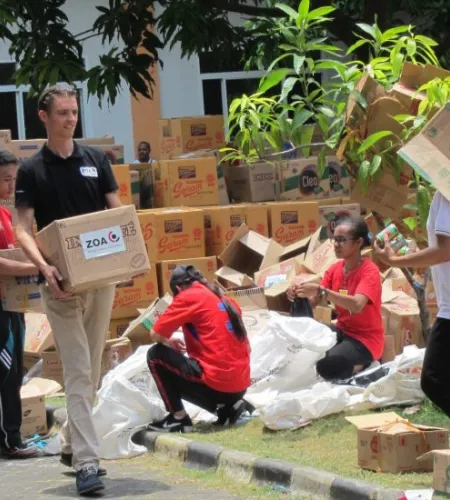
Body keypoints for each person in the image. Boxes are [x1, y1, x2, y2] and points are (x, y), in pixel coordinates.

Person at [15, 85, 121, 496]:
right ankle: (87, 464)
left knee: (91, 370)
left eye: (74, 112)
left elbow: (116, 212)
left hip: (100, 280)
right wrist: (44, 268)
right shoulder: (32, 170)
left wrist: (123, 255)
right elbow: (23, 229)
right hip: (59, 285)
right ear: (43, 116)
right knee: (78, 369)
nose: (70, 119)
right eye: (62, 113)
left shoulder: (96, 160)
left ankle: (69, 441)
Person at [146, 265, 251, 432]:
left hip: (218, 384)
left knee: (155, 355)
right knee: (204, 365)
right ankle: (229, 407)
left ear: (178, 288)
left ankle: (178, 417)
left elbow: (155, 334)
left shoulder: (188, 296)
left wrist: (168, 342)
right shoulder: (225, 299)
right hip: (241, 384)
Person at [375, 191, 450, 419]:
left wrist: (395, 260)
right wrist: (420, 255)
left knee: (434, 379)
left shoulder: (446, 192)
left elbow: (444, 250)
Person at [287, 217, 384, 381]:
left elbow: (357, 305)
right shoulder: (334, 269)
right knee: (301, 345)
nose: (336, 245)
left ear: (358, 242)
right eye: (334, 239)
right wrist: (298, 295)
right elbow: (314, 301)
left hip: (365, 340)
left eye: (341, 240)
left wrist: (322, 291)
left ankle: (364, 365)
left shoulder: (370, 271)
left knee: (326, 366)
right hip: (341, 331)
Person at [0, 150, 40, 459]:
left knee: (13, 371)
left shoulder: (5, 213)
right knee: (5, 372)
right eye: (6, 179)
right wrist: (36, 268)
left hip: (11, 305)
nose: (11, 185)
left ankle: (12, 435)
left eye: (14, 179)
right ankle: (9, 439)